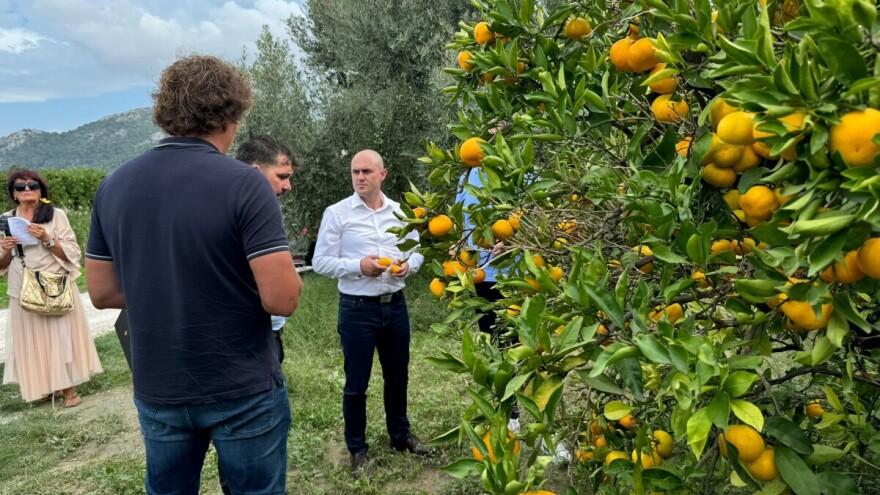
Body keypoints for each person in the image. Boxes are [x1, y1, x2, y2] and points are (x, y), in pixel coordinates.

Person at [85, 55, 302, 495]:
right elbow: (282, 299)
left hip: (158, 386)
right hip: (240, 385)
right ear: (231, 114)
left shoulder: (113, 185)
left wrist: (166, 286)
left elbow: (102, 292)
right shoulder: (246, 183)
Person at [313, 149, 429, 478]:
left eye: (366, 171)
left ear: (383, 174)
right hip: (357, 309)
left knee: (398, 376)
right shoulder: (337, 213)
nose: (360, 177)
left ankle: (400, 435)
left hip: (395, 305)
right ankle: (357, 449)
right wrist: (358, 266)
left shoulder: (401, 212)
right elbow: (320, 262)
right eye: (355, 172)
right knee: (356, 383)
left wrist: (409, 265)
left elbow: (417, 251)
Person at [0, 170, 103, 407]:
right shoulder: (5, 220)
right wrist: (5, 249)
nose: (27, 189)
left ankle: (68, 388)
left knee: (59, 336)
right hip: (22, 286)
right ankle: (46, 386)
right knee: (32, 340)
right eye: (20, 187)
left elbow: (73, 252)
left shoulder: (56, 215)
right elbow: (1, 264)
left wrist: (48, 239)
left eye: (33, 185)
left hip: (54, 284)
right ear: (14, 194)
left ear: (41, 190)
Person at [234, 133, 298, 363]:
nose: (288, 186)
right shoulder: (249, 214)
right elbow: (284, 298)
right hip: (250, 334)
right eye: (282, 176)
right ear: (255, 172)